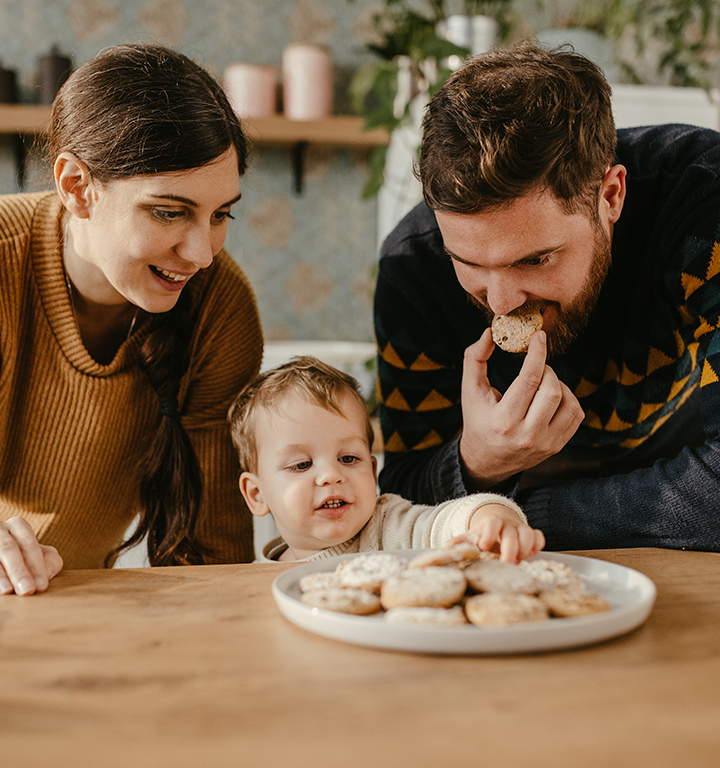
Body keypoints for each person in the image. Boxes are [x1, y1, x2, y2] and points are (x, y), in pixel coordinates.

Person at [374, 40, 720, 553]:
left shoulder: (703, 207)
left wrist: (520, 517)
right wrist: (477, 461)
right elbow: (400, 493)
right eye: (468, 263)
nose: (502, 303)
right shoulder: (414, 268)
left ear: (610, 196)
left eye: (534, 260)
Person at [0, 42, 264, 595]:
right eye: (169, 211)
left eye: (220, 215)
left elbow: (212, 557)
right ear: (77, 187)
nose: (201, 254)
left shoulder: (221, 305)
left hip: (86, 604)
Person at [228, 356, 545, 563]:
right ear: (257, 495)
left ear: (372, 468)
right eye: (302, 465)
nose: (331, 476)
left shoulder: (389, 529)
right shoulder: (260, 573)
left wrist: (492, 520)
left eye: (349, 458)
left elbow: (447, 520)